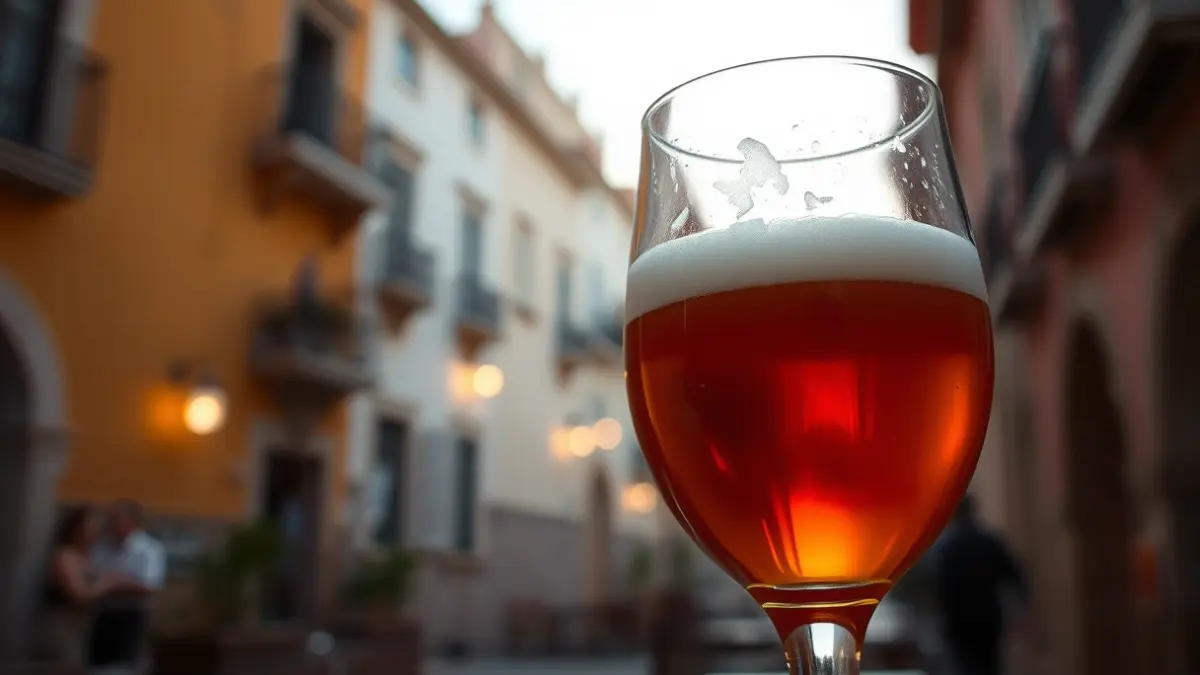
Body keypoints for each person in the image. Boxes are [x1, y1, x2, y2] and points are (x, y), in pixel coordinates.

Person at [930, 494, 1028, 675]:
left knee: (964, 667)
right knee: (990, 665)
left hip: (958, 621)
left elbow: (937, 587)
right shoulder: (989, 542)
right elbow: (1014, 575)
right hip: (988, 618)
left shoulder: (946, 548)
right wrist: (1020, 608)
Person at [35, 505, 128, 666]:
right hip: (61, 627)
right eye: (90, 525)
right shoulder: (64, 557)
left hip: (81, 628)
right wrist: (108, 583)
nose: (95, 530)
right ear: (76, 528)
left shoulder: (87, 558)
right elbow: (78, 594)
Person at [89, 500, 166, 672]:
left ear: (131, 522)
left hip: (131, 614)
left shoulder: (148, 549)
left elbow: (150, 585)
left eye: (116, 519)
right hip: (103, 613)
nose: (110, 523)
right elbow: (93, 575)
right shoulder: (102, 547)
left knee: (123, 666)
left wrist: (115, 583)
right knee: (98, 666)